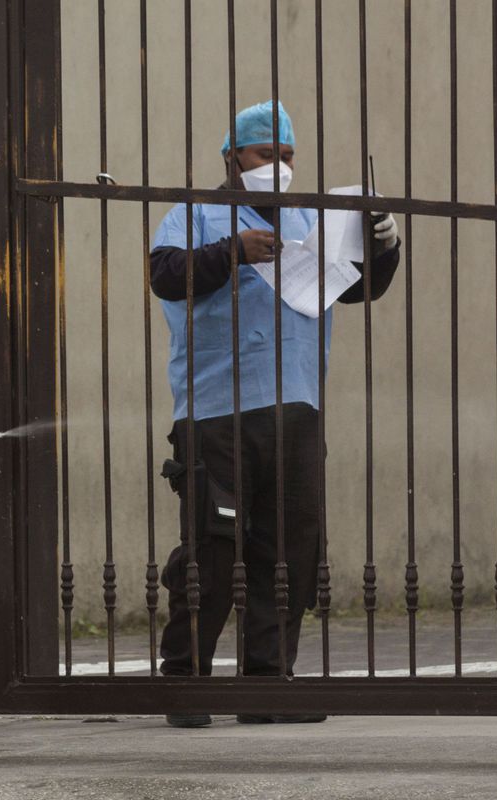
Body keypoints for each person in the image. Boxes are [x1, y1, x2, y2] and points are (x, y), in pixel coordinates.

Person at [150, 101, 401, 727]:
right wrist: (233, 250)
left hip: (296, 405)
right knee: (212, 545)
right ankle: (186, 679)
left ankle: (268, 680)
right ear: (232, 156)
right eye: (267, 155)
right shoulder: (192, 213)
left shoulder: (315, 220)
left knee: (289, 545)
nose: (280, 167)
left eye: (287, 157)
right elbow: (165, 275)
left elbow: (360, 287)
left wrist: (383, 246)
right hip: (217, 408)